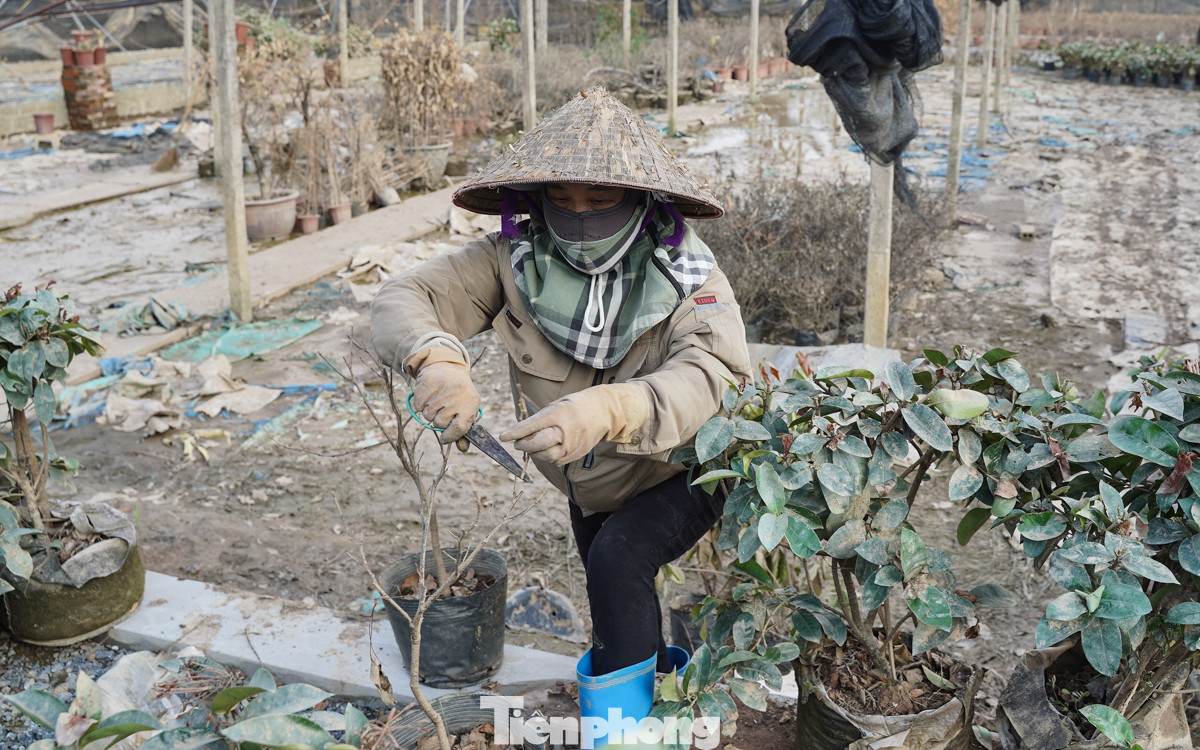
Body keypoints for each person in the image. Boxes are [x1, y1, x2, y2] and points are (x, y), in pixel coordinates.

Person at [371, 87, 752, 742]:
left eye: (600, 201)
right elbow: (406, 297)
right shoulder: (515, 259)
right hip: (589, 480)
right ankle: (637, 698)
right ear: (537, 201)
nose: (578, 218)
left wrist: (611, 408)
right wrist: (435, 358)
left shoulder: (692, 276)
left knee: (620, 561)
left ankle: (627, 733)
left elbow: (714, 382)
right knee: (612, 593)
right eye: (562, 200)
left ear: (640, 202)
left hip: (686, 468)